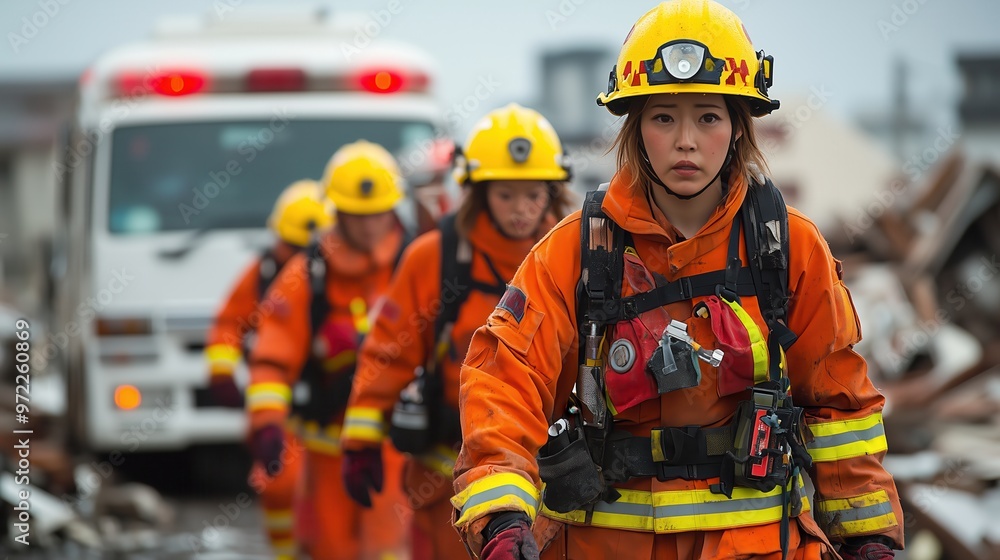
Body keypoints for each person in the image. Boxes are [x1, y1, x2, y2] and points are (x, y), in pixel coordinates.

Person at [451, 2, 903, 559]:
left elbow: (839, 406)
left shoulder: (789, 247)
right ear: (635, 128)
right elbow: (505, 379)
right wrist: (500, 517)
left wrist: (868, 535)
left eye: (708, 117)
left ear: (739, 127)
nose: (686, 140)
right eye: (663, 117)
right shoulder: (575, 250)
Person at [340, 104, 574, 559]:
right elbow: (388, 353)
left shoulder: (572, 258)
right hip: (445, 485)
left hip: (553, 484)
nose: (521, 210)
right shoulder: (433, 259)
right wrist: (360, 440)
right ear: (478, 194)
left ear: (553, 194)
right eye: (506, 195)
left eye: (533, 195)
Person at [245, 141, 410, 560]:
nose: (371, 225)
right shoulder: (307, 275)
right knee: (329, 549)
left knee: (392, 549)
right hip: (325, 449)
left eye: (378, 212)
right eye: (359, 214)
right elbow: (272, 356)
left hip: (395, 447)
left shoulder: (417, 263)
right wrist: (267, 423)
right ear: (336, 212)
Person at [205, 179, 331, 560]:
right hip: (275, 397)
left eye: (303, 249)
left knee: (333, 493)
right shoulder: (261, 274)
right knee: (278, 482)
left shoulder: (332, 276)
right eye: (290, 247)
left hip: (328, 399)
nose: (296, 258)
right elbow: (229, 323)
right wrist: (222, 372)